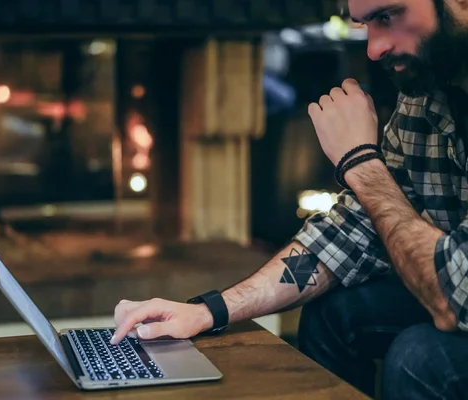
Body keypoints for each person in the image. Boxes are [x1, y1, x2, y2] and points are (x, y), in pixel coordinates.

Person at [111, 1, 468, 398]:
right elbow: (351, 233)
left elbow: (454, 300)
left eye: (387, 17)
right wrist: (206, 311)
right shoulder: (427, 98)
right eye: (366, 24)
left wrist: (361, 163)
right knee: (333, 313)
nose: (373, 49)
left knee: (419, 357)